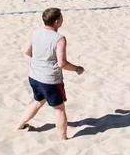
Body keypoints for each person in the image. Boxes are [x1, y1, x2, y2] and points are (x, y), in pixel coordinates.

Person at [17, 8, 84, 141]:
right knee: (59, 109)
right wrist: (77, 68)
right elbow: (62, 63)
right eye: (62, 18)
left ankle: (19, 125)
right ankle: (63, 137)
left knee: (37, 102)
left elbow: (27, 51)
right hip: (50, 81)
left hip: (34, 76)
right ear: (57, 21)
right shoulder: (59, 39)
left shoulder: (36, 32)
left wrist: (40, 60)